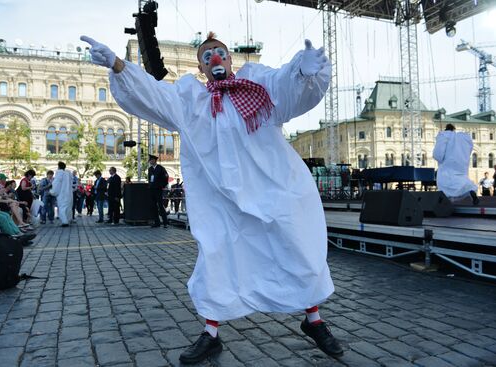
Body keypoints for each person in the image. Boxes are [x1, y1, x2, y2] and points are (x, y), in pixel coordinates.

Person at [82, 32, 341, 364]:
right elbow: (153, 94)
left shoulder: (257, 86)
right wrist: (118, 65)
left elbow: (288, 89)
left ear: (230, 59)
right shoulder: (191, 100)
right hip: (220, 199)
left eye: (220, 53)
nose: (215, 58)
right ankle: (211, 333)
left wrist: (304, 72)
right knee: (217, 256)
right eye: (207, 56)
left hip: (273, 190)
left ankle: (314, 319)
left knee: (295, 245)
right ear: (201, 67)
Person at [433, 123, 479, 205]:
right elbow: (469, 147)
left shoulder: (443, 135)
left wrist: (438, 158)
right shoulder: (462, 137)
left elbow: (438, 153)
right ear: (454, 129)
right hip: (460, 164)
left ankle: (447, 199)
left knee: (446, 182)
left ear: (446, 129)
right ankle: (470, 189)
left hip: (447, 163)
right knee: (461, 179)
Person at [147, 155, 169, 228]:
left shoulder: (160, 168)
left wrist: (162, 185)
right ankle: (157, 222)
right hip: (152, 189)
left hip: (158, 189)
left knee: (160, 206)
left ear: (154, 160)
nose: (150, 161)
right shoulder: (150, 169)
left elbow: (166, 177)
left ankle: (165, 222)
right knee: (153, 206)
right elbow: (149, 178)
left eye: (151, 160)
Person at [50, 161, 73, 227]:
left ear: (58, 167)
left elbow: (56, 184)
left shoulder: (59, 174)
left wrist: (52, 191)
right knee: (68, 207)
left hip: (62, 194)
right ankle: (68, 219)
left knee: (62, 207)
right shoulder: (69, 174)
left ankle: (64, 221)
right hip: (69, 194)